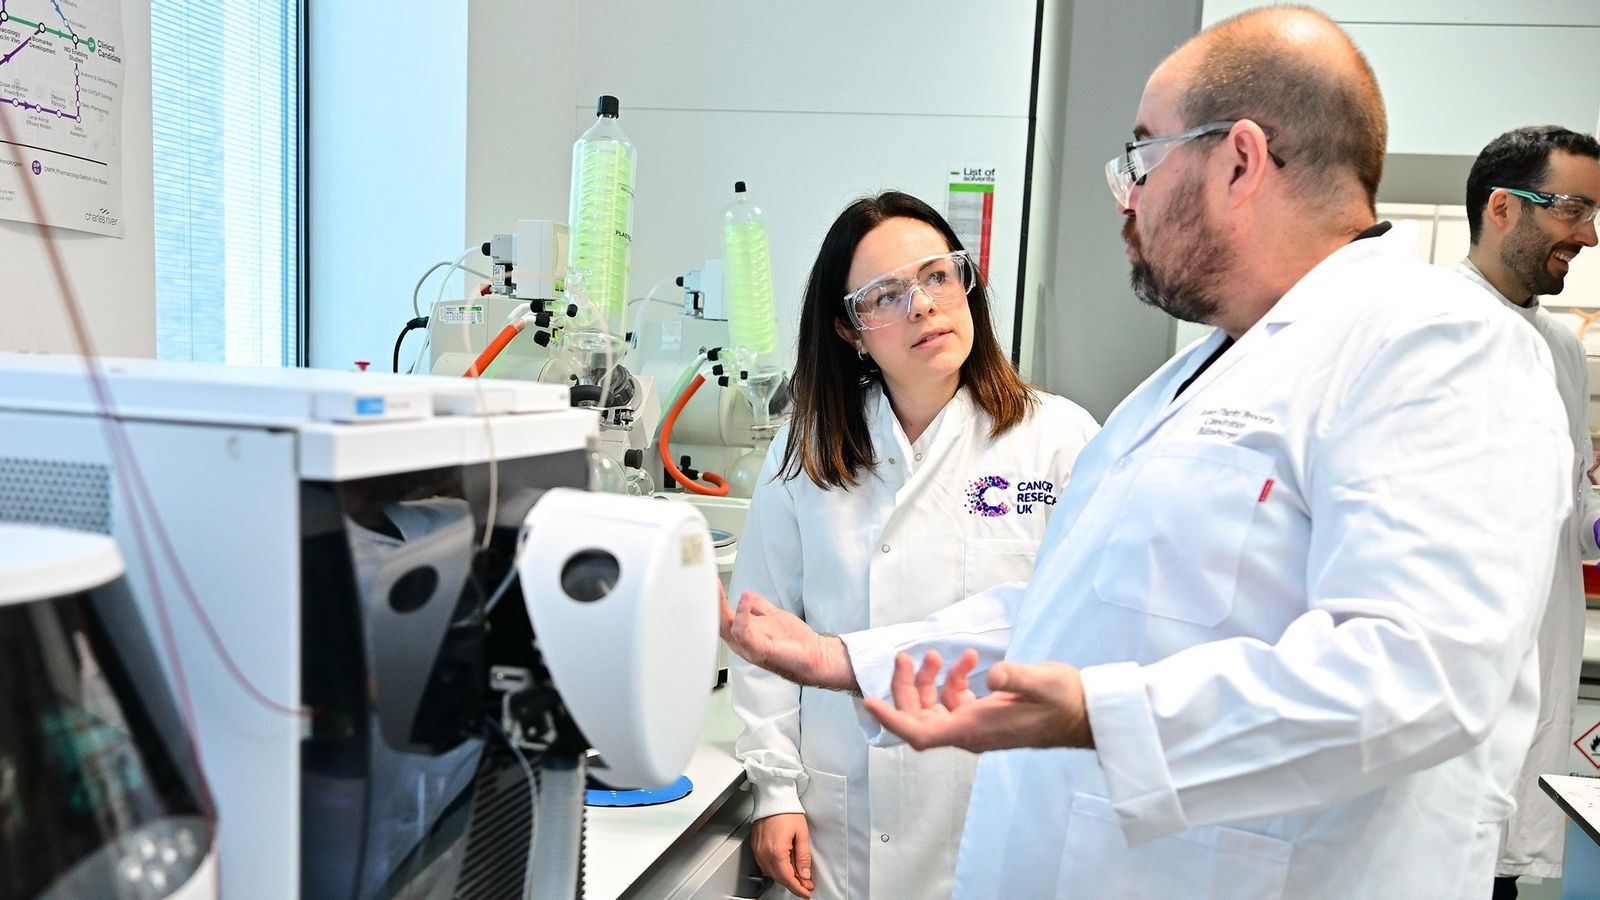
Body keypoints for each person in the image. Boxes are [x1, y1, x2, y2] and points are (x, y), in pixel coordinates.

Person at [720, 7, 1575, 898]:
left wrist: (1103, 715)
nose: (1123, 197)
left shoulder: (1439, 347)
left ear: (1239, 160)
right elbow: (1070, 610)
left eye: (1140, 159)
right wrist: (845, 661)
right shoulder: (1191, 382)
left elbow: (1415, 676)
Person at [732, 191, 1098, 899]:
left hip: (994, 807)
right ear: (850, 330)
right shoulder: (806, 450)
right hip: (845, 826)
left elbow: (1081, 631)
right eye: (885, 295)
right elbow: (764, 630)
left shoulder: (1060, 439)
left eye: (936, 276)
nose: (923, 306)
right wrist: (775, 792)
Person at [1459, 125, 1600, 900]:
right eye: (1573, 209)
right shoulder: (1429, 324)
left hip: (1533, 665)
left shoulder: (1559, 347)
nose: (1588, 235)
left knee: (1499, 876)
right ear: (1504, 208)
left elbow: (1570, 506)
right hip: (1451, 677)